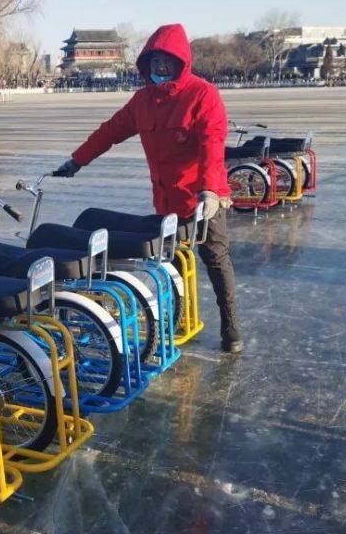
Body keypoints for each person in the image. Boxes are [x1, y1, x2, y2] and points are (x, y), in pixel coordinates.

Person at [55, 23, 243, 353]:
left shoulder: (202, 95)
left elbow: (213, 145)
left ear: (181, 62)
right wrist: (77, 160)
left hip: (203, 198)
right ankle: (175, 316)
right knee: (167, 261)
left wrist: (211, 191)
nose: (160, 67)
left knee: (215, 257)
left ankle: (230, 324)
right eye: (155, 61)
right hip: (167, 198)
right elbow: (109, 131)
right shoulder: (143, 101)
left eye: (167, 61)